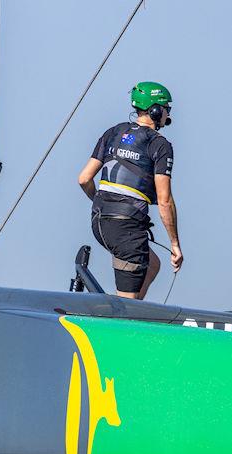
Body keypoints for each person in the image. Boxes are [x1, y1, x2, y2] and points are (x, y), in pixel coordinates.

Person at [77, 81, 183, 300]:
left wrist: (99, 201)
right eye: (166, 109)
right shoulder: (160, 144)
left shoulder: (113, 132)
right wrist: (175, 244)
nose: (167, 114)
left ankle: (135, 312)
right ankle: (124, 316)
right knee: (126, 306)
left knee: (152, 264)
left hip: (99, 221)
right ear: (156, 110)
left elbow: (84, 179)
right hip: (126, 229)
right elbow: (164, 201)